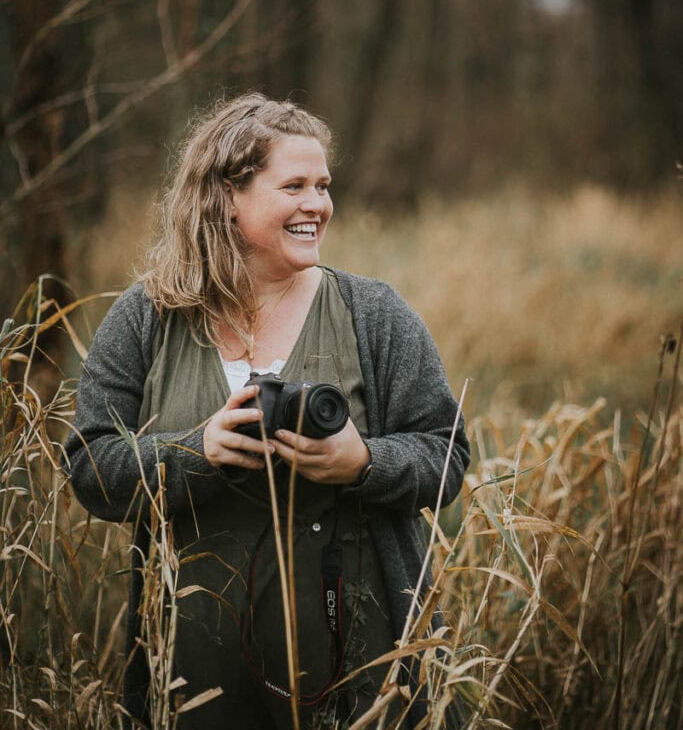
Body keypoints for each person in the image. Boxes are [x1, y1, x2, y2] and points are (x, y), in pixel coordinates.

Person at [64, 93, 470, 730]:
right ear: (228, 196)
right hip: (193, 669)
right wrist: (197, 451)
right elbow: (89, 467)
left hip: (361, 665)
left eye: (323, 186)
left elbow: (447, 455)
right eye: (294, 186)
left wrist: (362, 461)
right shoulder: (147, 318)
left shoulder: (375, 314)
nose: (317, 204)